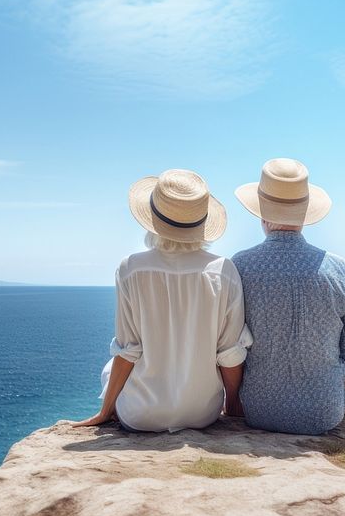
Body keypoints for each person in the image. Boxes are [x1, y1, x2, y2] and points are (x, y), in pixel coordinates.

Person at [73, 168, 252, 432]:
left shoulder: (130, 269)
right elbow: (229, 353)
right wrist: (233, 406)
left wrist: (105, 411)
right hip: (202, 413)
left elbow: (129, 350)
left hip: (141, 414)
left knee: (111, 366)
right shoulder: (223, 271)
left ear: (153, 220)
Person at [231, 157, 345, 437]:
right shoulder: (341, 270)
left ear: (262, 213)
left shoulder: (240, 266)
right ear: (304, 216)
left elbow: (227, 345)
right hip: (324, 414)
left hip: (258, 410)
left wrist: (232, 403)